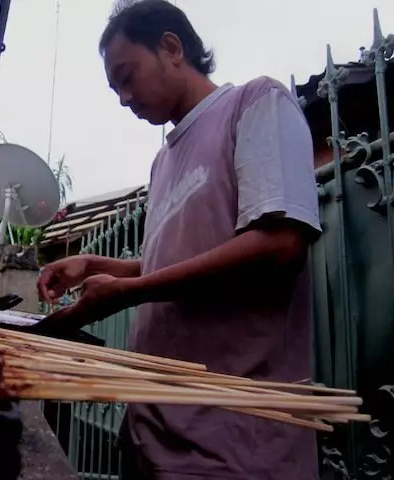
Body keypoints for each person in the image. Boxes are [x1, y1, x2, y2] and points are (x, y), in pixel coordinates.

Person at [37, 1, 321, 479]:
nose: (125, 98)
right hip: (153, 431)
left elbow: (280, 241)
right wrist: (94, 264)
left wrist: (127, 291)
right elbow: (172, 264)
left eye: (128, 76)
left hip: (234, 443)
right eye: (115, 89)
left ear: (171, 47)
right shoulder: (162, 163)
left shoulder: (254, 104)